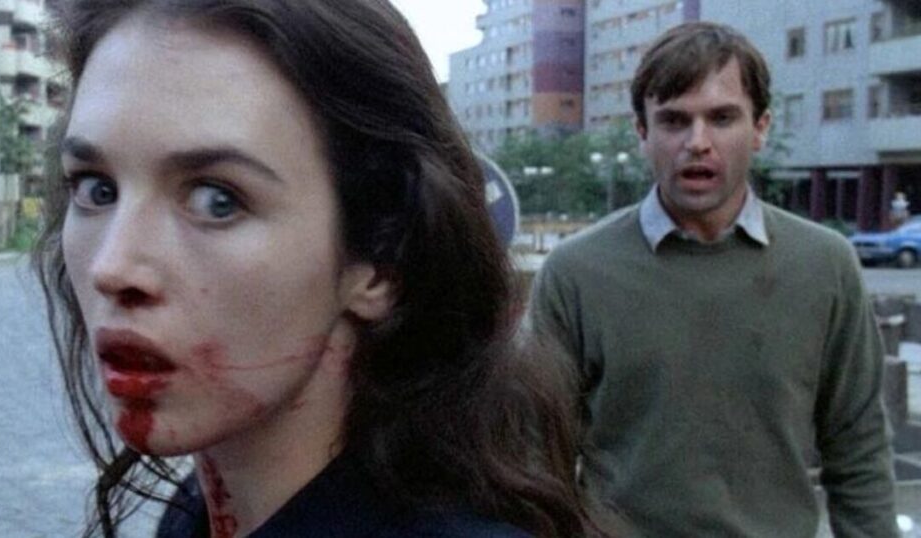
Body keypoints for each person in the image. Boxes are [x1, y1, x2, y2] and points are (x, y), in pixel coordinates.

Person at [34, 1, 602, 537]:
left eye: (217, 200)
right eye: (96, 188)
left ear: (378, 262)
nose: (112, 267)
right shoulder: (192, 516)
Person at [526, 21, 898, 537]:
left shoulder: (825, 265)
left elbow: (858, 445)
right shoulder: (575, 273)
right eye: (674, 120)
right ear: (642, 133)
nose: (697, 142)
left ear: (760, 128)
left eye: (722, 118)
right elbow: (536, 456)